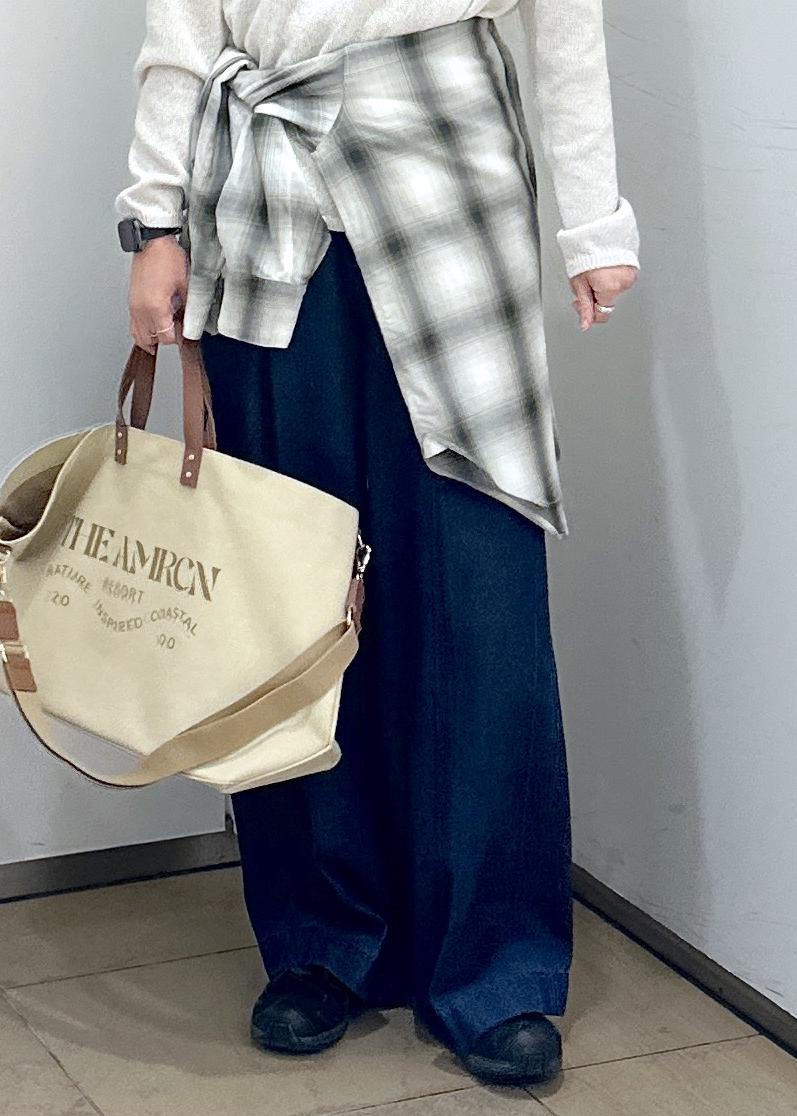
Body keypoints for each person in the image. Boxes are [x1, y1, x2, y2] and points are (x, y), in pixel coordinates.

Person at [115, 0, 639, 1087]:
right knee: (287, 590)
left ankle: (492, 964)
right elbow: (182, 22)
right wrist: (154, 219)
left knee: (476, 586)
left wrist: (594, 221)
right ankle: (320, 940)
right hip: (263, 182)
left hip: (446, 153)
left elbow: (564, 20)